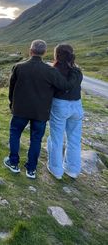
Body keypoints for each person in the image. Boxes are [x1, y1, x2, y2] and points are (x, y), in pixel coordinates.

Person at [3, 40, 80, 179]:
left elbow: (11, 89)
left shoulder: (18, 67)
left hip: (20, 110)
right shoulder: (50, 71)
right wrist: (74, 69)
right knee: (36, 139)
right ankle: (31, 170)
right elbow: (64, 86)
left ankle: (13, 163)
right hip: (40, 113)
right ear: (44, 52)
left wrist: (12, 104)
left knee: (15, 134)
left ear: (30, 50)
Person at [47, 44, 83, 180]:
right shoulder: (77, 71)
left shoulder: (54, 70)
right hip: (77, 105)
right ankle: (72, 170)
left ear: (57, 55)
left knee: (56, 138)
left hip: (60, 105)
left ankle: (56, 170)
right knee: (74, 139)